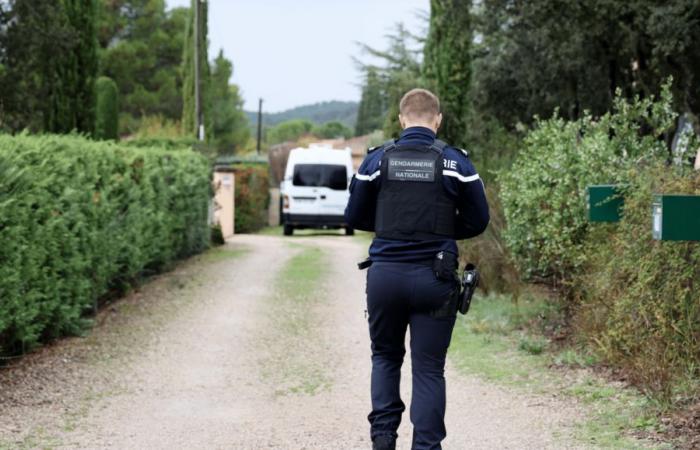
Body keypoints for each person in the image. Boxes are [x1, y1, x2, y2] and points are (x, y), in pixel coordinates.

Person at [345, 88, 490, 450]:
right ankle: (426, 446)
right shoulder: (457, 163)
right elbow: (478, 219)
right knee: (428, 369)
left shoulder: (376, 161)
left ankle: (382, 439)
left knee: (385, 357)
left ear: (401, 119)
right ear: (437, 120)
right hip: (435, 279)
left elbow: (354, 215)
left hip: (386, 277)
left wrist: (391, 228)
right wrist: (439, 230)